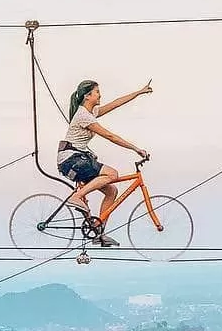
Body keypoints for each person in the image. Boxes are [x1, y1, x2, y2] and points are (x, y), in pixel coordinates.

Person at [58, 78, 153, 246]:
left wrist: (139, 92)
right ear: (87, 96)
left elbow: (116, 104)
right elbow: (110, 136)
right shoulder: (83, 116)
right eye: (97, 92)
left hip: (78, 159)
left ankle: (99, 233)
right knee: (112, 173)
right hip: (71, 159)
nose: (100, 95)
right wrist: (135, 148)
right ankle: (77, 197)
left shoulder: (90, 112)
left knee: (111, 191)